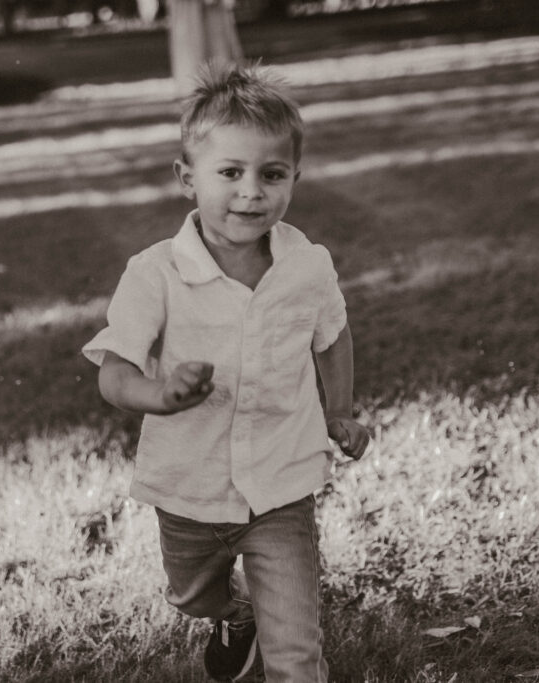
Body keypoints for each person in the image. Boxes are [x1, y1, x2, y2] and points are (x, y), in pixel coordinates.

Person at [82, 62, 370, 682]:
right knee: (191, 595)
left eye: (272, 174)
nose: (252, 192)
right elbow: (114, 373)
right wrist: (160, 394)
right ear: (187, 178)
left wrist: (340, 409)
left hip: (280, 488)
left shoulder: (307, 266)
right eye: (230, 173)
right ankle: (235, 616)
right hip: (188, 488)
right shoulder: (156, 273)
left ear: (295, 177)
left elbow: (332, 334)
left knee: (296, 650)